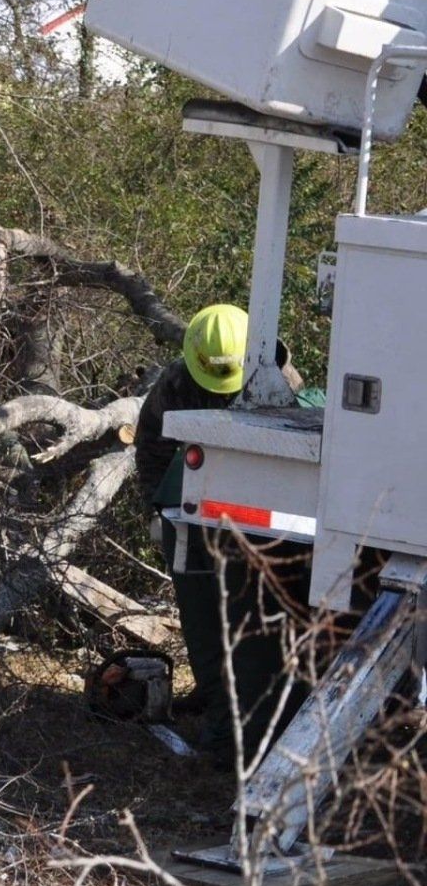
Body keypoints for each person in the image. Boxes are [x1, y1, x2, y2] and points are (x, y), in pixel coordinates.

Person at [135, 304, 307, 758]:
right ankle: (221, 725)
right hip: (190, 517)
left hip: (260, 524)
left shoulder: (280, 383)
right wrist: (159, 508)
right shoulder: (173, 385)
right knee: (204, 620)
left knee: (256, 628)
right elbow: (151, 450)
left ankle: (260, 728)